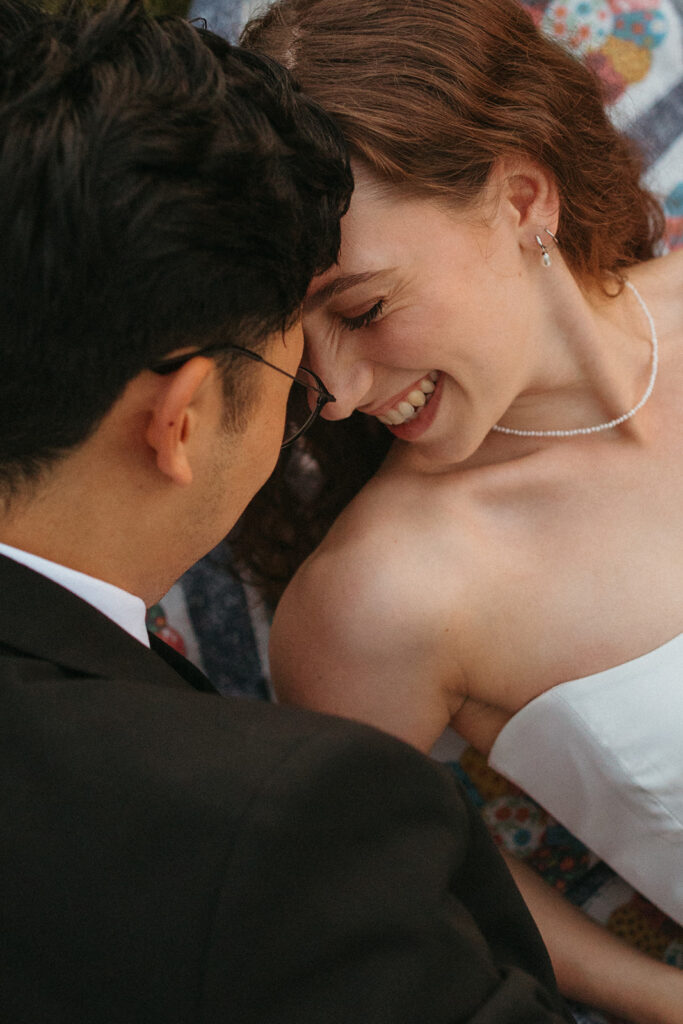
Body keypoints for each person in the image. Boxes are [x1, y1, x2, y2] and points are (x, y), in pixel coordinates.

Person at [0, 1, 581, 1021]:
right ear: (177, 420)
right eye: (294, 368)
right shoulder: (273, 825)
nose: (338, 399)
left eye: (360, 313)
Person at [239, 0, 683, 1020]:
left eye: (361, 310)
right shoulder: (381, 597)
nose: (338, 391)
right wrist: (662, 997)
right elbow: (400, 868)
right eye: (298, 339)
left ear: (522, 195)